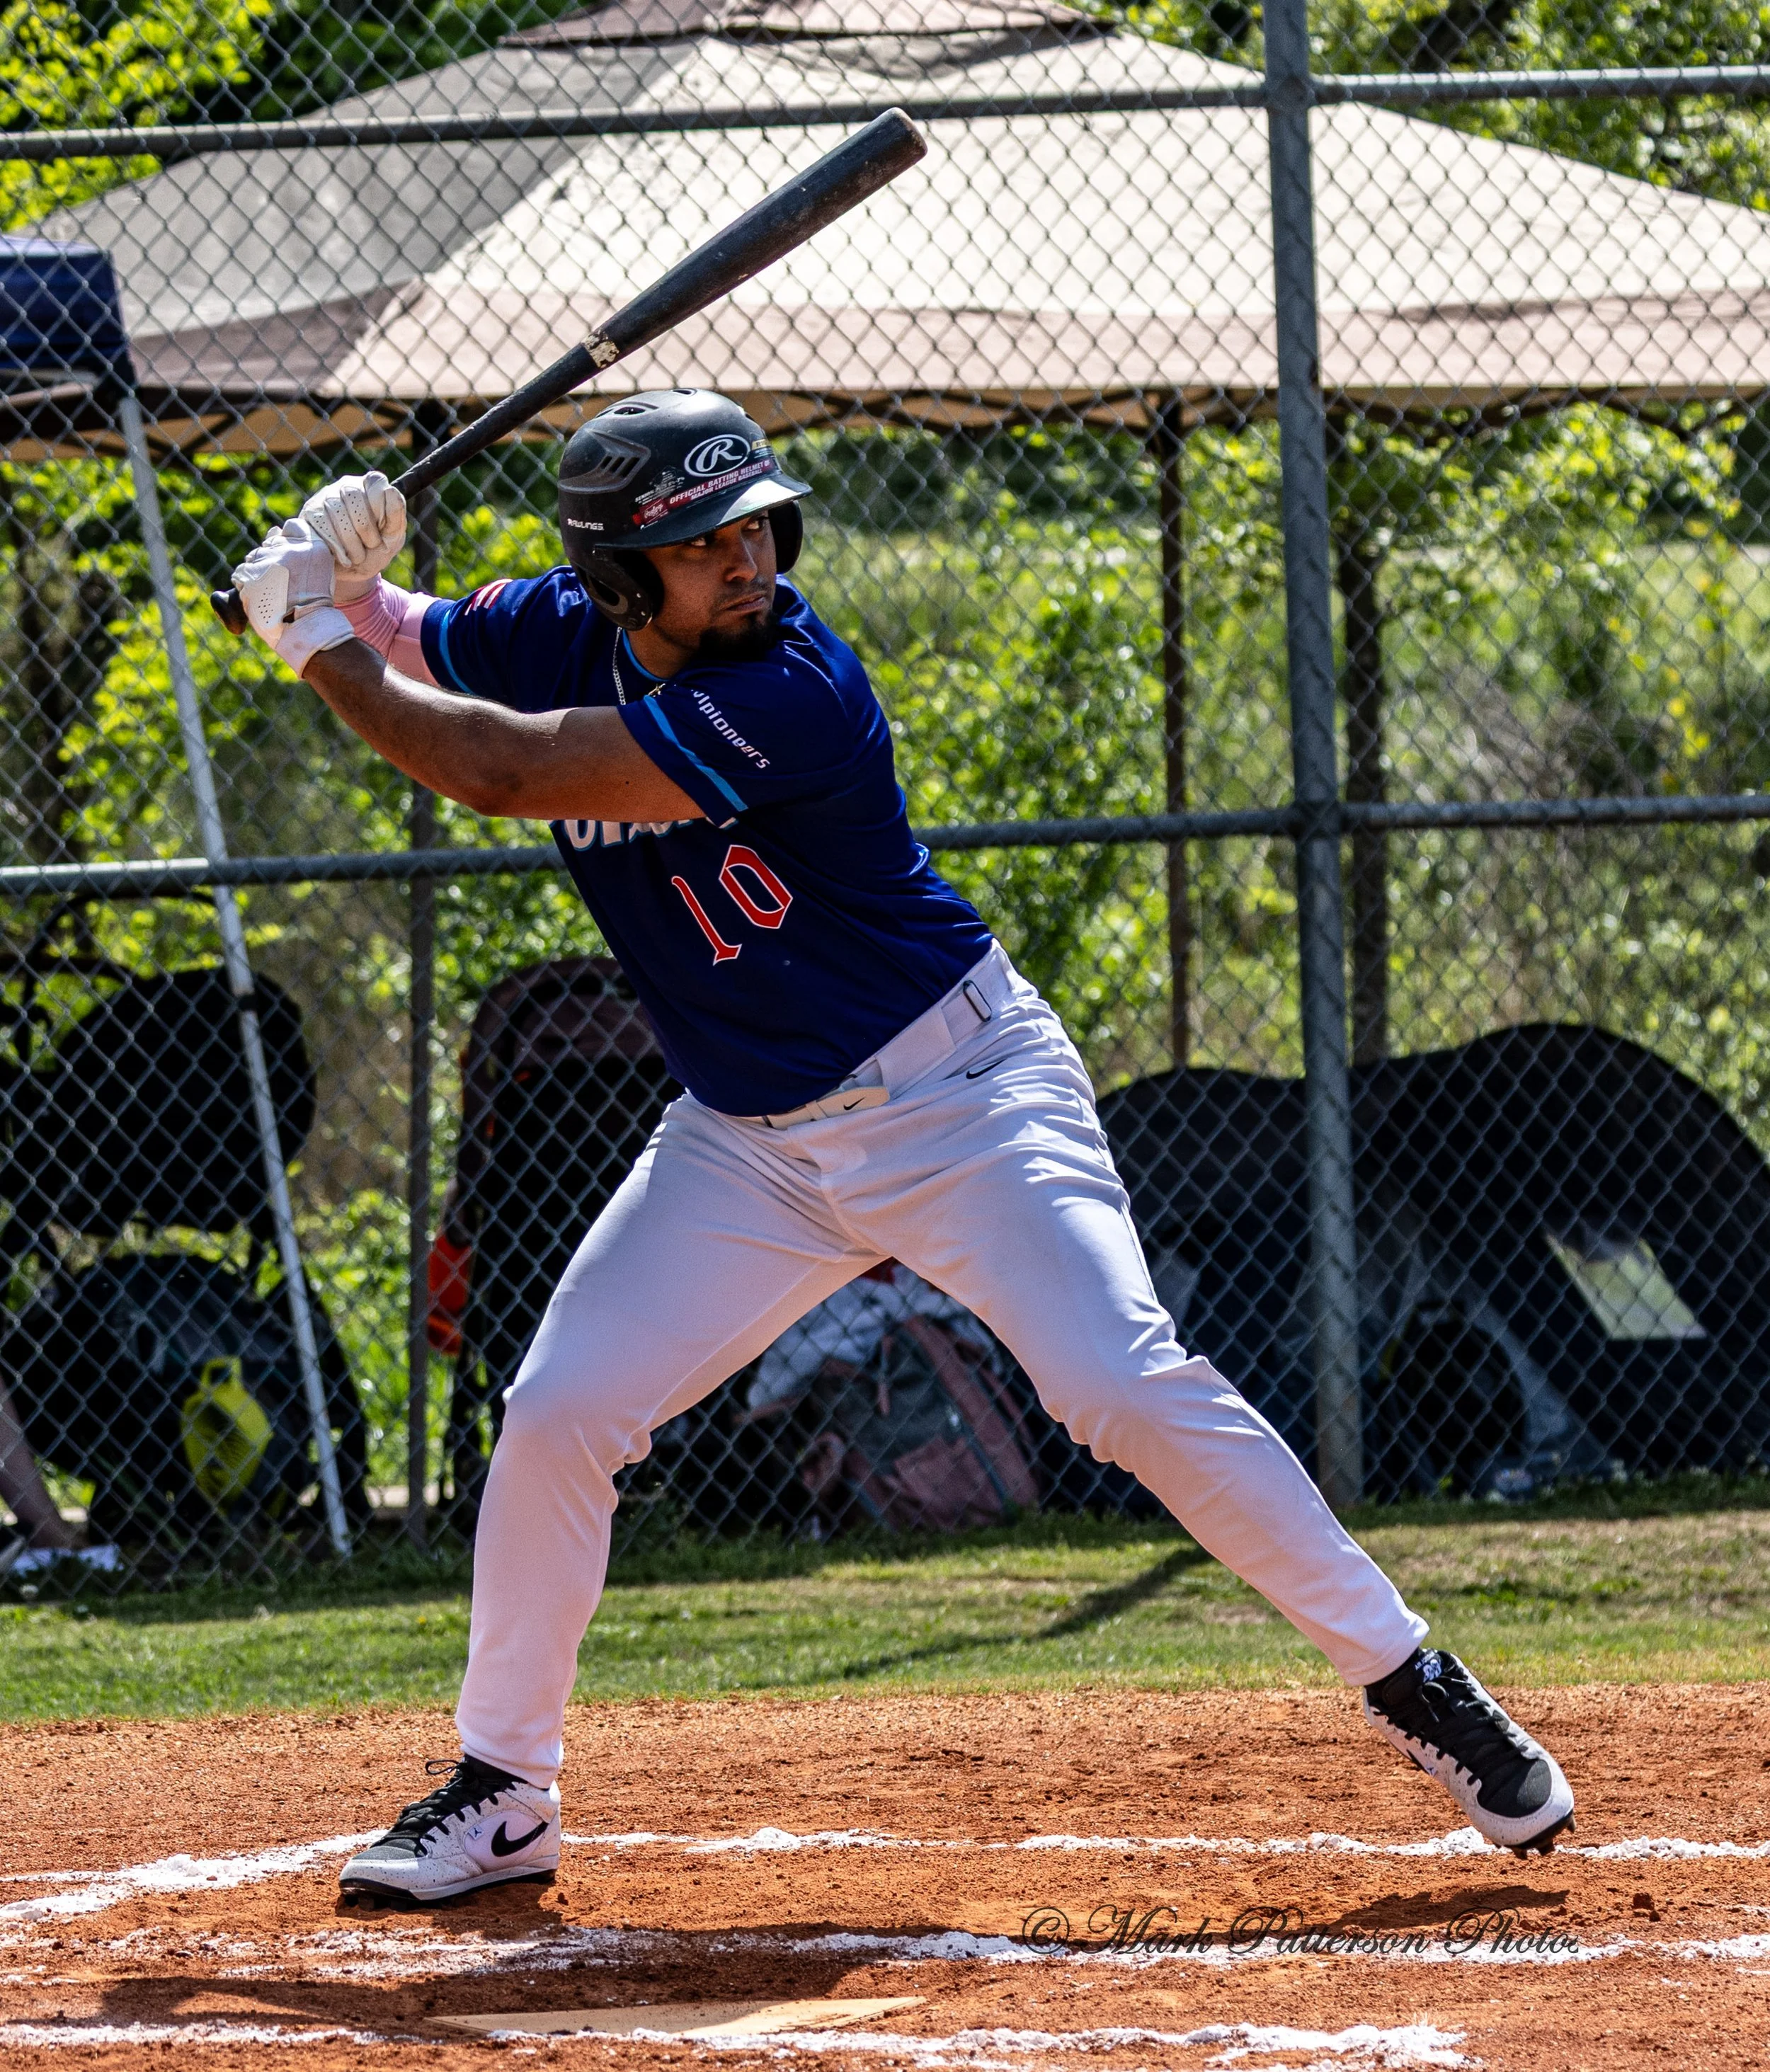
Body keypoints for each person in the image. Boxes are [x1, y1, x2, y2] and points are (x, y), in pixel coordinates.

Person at [229, 390, 1575, 1904]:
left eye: (755, 527)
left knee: (1116, 1384)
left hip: (962, 1099)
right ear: (619, 578)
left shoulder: (794, 687)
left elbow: (499, 770)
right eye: (699, 542)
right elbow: (419, 637)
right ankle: (503, 1787)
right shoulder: (557, 625)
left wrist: (306, 634)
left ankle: (1411, 1681)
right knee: (557, 1410)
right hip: (748, 1142)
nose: (746, 562)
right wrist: (343, 577)